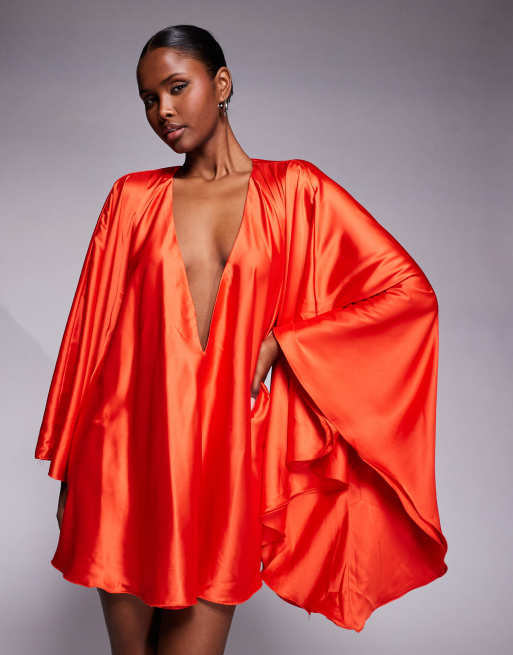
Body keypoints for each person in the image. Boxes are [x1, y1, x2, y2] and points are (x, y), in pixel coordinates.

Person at [35, 23, 448, 655]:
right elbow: (89, 338)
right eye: (148, 98)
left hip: (220, 463)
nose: (163, 110)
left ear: (222, 83)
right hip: (121, 460)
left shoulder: (295, 191)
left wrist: (281, 343)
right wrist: (70, 474)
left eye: (178, 87)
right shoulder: (131, 198)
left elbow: (407, 294)